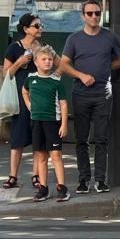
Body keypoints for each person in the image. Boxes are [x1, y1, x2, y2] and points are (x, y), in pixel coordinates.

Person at [59, 0, 120, 194]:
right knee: (81, 139)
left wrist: (105, 69)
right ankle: (83, 179)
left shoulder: (109, 37)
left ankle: (100, 179)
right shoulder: (74, 39)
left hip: (103, 93)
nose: (94, 16)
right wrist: (81, 75)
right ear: (82, 16)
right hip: (80, 94)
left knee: (102, 138)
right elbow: (63, 64)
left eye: (97, 13)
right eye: (89, 13)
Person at [22, 45, 70, 203]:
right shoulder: (31, 79)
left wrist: (64, 124)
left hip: (52, 122)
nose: (47, 62)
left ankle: (61, 187)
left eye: (50, 59)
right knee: (41, 155)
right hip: (36, 121)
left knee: (56, 155)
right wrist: (29, 105)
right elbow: (24, 91)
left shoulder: (56, 81)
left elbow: (63, 104)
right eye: (44, 59)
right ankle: (43, 188)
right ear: (36, 62)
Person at [1, 13, 43, 189]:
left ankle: (36, 175)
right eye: (36, 26)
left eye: (41, 25)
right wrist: (20, 62)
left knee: (38, 137)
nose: (40, 28)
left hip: (39, 96)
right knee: (17, 137)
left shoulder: (43, 48)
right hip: (20, 97)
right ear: (26, 29)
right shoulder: (14, 48)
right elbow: (6, 73)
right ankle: (13, 176)